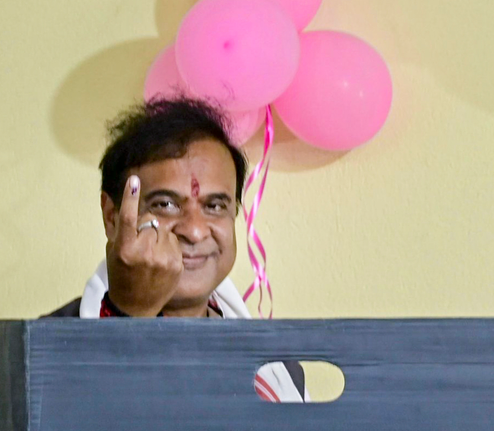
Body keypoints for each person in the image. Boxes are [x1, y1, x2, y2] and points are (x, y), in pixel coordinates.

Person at [44, 96, 306, 402]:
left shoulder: (280, 370)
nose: (194, 231)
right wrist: (129, 317)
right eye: (165, 205)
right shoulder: (48, 349)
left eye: (215, 205)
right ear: (112, 217)